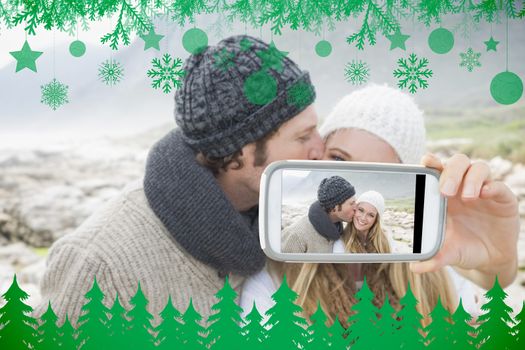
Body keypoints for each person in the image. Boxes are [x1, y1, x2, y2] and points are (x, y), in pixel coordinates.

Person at [35, 35, 325, 326]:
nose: (320, 148)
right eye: (303, 136)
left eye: (317, 129)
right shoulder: (100, 265)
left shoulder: (289, 224)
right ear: (239, 151)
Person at [240, 84, 519, 325]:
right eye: (338, 160)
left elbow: (490, 289)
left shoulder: (432, 271)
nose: (356, 192)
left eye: (377, 173)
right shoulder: (275, 275)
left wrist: (498, 260)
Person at [282, 175, 357, 253]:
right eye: (352, 203)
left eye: (355, 202)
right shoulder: (297, 236)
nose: (356, 208)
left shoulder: (339, 229)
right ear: (334, 208)